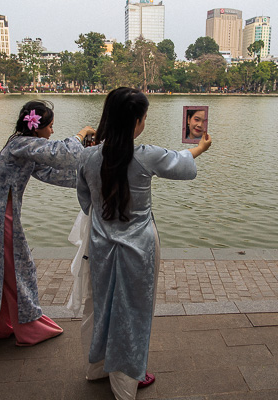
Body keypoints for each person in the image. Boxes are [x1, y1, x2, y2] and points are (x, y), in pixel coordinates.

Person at [77, 87, 212, 399]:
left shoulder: (86, 157)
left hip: (101, 245)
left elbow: (86, 204)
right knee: (134, 311)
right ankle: (126, 381)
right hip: (139, 247)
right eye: (145, 117)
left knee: (101, 306)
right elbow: (181, 166)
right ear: (137, 121)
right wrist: (200, 148)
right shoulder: (147, 155)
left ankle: (98, 366)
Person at [0, 100, 94, 346]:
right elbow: (63, 154)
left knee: (2, 271)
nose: (52, 131)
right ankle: (28, 327)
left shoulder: (20, 146)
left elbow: (52, 173)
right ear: (36, 127)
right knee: (18, 272)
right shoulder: (22, 145)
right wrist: (81, 134)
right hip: (3, 218)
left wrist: (90, 178)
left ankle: (0, 325)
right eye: (51, 126)